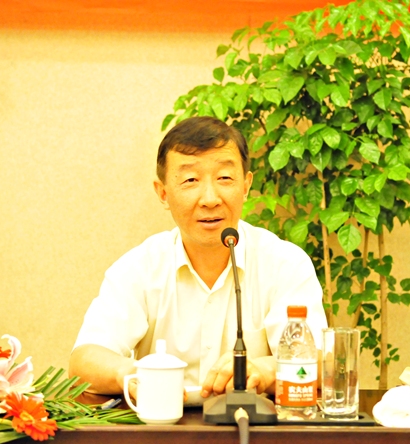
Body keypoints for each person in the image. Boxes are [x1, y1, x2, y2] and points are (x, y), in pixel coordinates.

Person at [69, 116, 327, 403]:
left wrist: (264, 371)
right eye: (190, 180)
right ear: (163, 193)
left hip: (253, 426)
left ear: (245, 186)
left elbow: (319, 362)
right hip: (163, 424)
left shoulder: (285, 264)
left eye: (224, 178)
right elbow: (84, 361)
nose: (210, 198)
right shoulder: (139, 268)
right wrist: (131, 373)